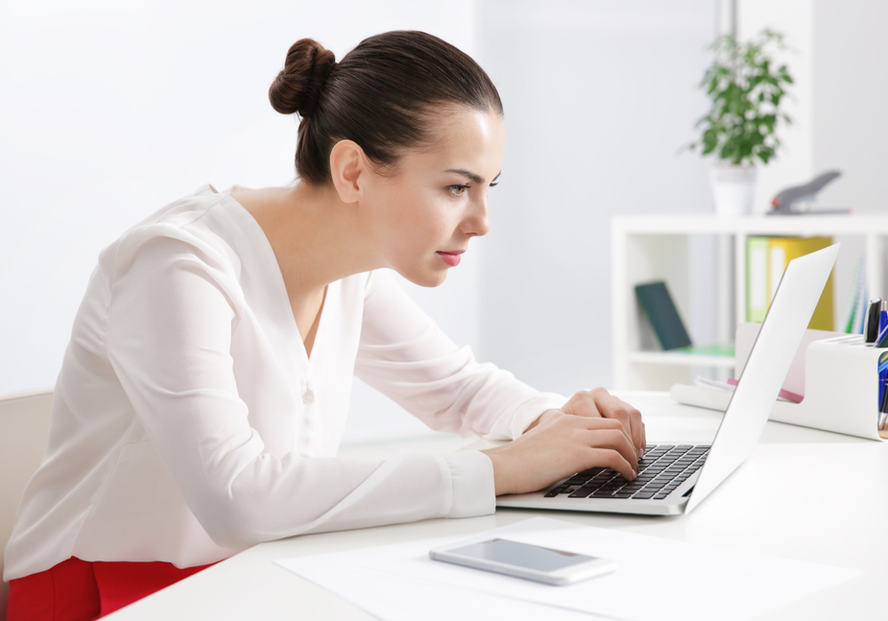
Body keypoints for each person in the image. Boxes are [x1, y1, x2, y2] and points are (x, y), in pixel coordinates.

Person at [3, 31, 645, 620]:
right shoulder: (179, 264)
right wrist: (500, 469)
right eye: (456, 188)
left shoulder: (350, 271)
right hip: (102, 594)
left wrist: (555, 425)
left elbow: (456, 388)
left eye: (487, 188)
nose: (481, 220)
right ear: (353, 172)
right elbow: (238, 497)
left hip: (244, 578)